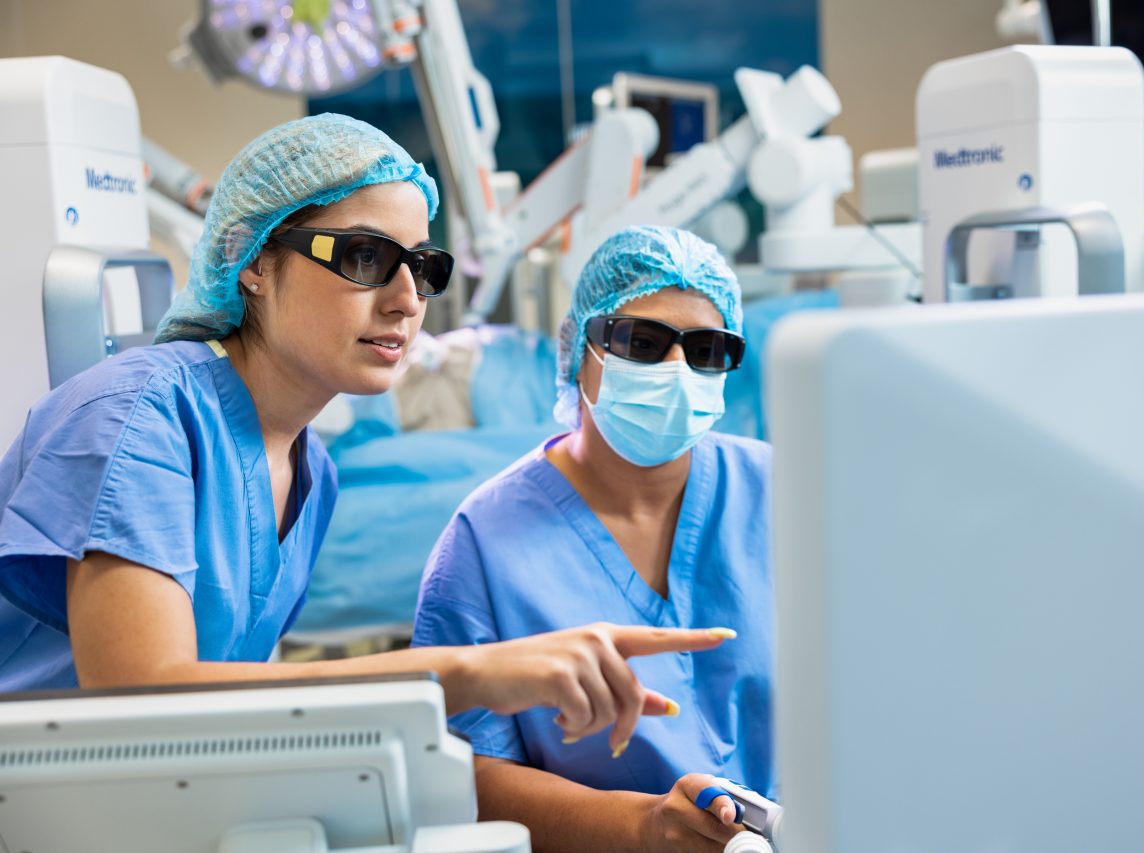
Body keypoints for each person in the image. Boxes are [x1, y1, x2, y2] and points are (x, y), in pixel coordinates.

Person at [0, 116, 730, 751]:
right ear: (253, 259)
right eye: (364, 257)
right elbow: (139, 701)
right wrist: (467, 671)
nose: (408, 299)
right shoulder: (136, 416)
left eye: (421, 266)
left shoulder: (309, 469)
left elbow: (219, 711)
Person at [413, 226, 774, 853]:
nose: (676, 371)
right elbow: (463, 775)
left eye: (707, 351)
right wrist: (641, 827)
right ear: (579, 350)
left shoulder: (782, 493)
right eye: (642, 342)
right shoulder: (484, 543)